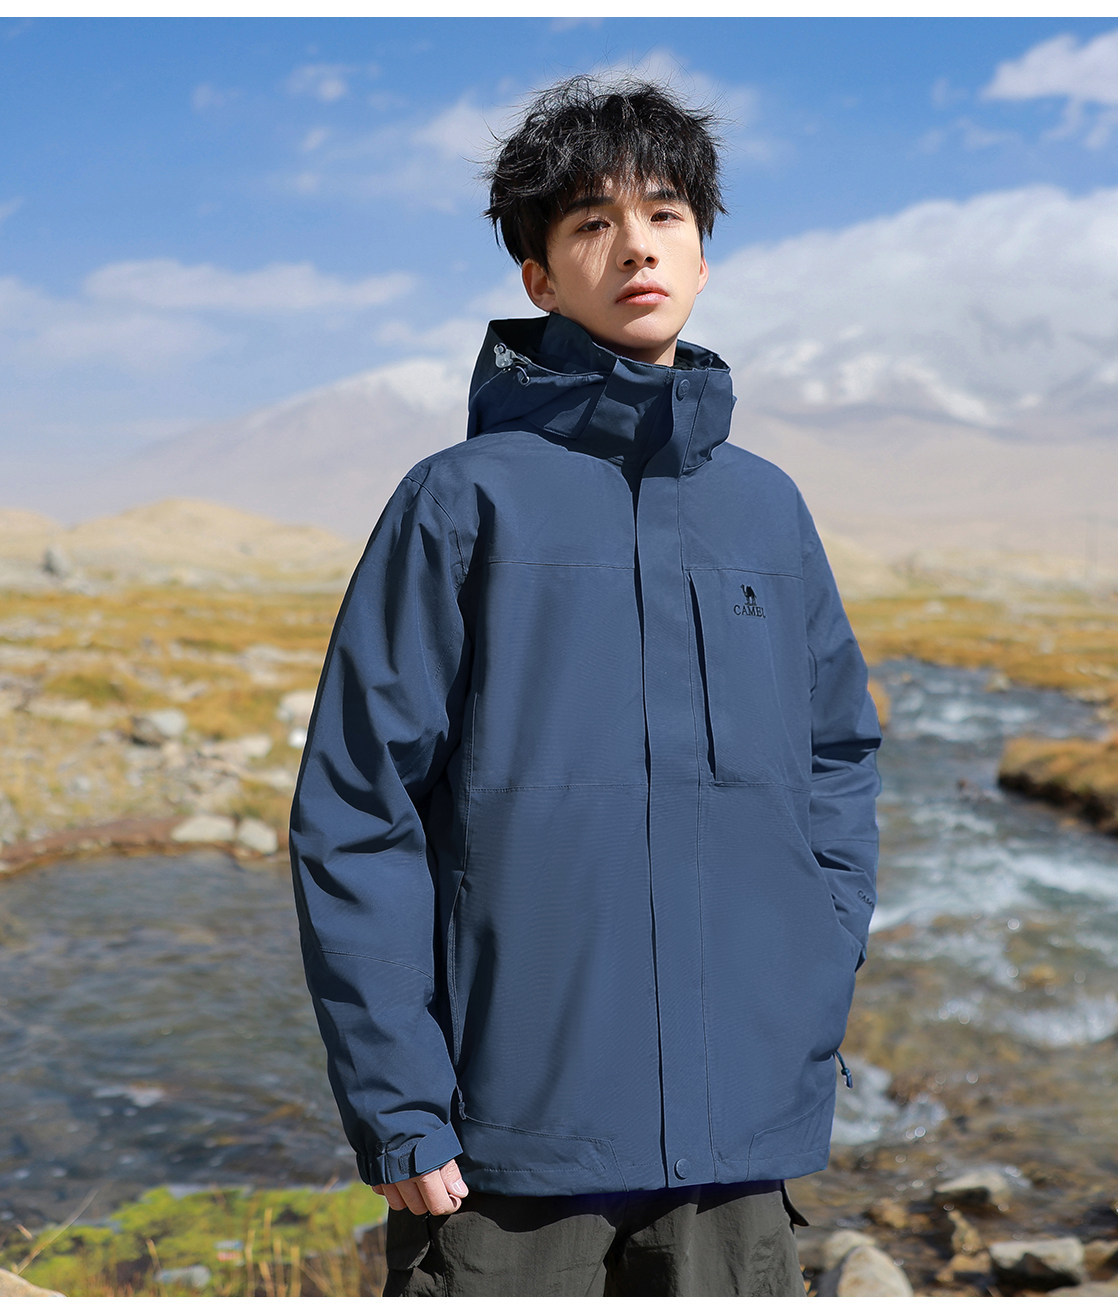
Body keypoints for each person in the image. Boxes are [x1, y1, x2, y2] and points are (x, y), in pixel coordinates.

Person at [288, 74, 882, 1298]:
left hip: (739, 1130)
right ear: (541, 278)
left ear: (704, 255)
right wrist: (400, 1103)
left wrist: (815, 963)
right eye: (592, 224)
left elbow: (837, 756)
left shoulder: (767, 507)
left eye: (665, 215)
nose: (636, 247)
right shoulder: (461, 500)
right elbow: (358, 805)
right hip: (510, 1139)